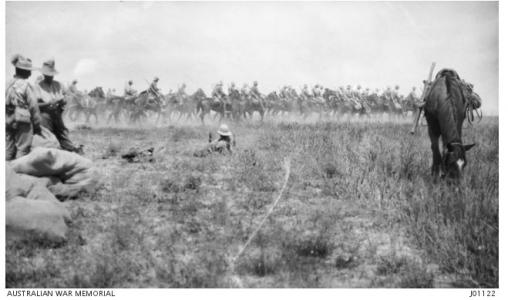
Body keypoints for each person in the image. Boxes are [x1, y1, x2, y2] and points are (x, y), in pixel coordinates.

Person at [36, 59, 82, 154]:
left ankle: (71, 149)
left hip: (57, 113)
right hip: (45, 116)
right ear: (44, 74)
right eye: (48, 75)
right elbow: (35, 104)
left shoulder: (58, 84)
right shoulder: (38, 86)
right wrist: (48, 103)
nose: (50, 77)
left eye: (51, 75)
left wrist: (64, 101)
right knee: (48, 137)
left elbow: (67, 95)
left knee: (62, 134)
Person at [6, 54, 42, 160]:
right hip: (23, 120)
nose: (30, 74)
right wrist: (37, 126)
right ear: (24, 71)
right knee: (23, 150)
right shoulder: (26, 86)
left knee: (8, 149)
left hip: (7, 119)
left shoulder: (6, 83)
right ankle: (19, 174)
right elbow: (33, 107)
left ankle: (6, 172)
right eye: (29, 71)